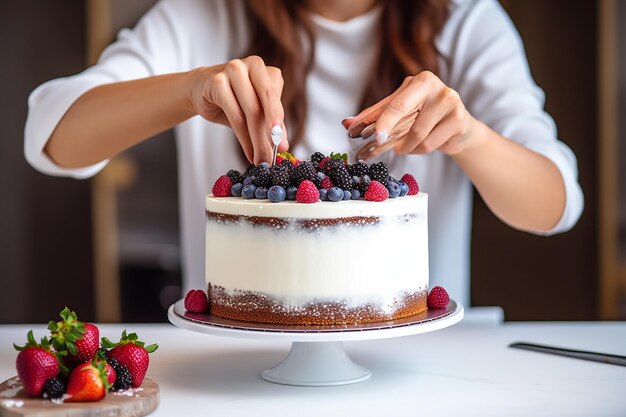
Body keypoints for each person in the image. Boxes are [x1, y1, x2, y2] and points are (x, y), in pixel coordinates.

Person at [24, 0, 583, 307]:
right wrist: (187, 90)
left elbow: (555, 203)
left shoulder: (467, 22)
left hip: (422, 381)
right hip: (234, 379)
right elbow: (51, 136)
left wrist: (469, 136)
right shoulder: (199, 16)